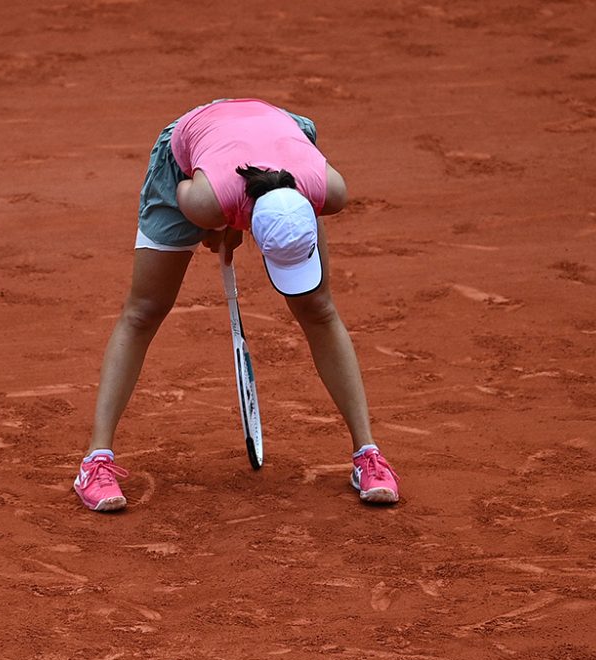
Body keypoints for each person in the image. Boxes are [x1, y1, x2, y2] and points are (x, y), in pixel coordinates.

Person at [73, 98, 400, 511]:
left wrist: (232, 222)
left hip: (281, 133)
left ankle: (368, 454)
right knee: (145, 309)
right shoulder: (205, 200)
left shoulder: (328, 192)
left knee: (318, 308)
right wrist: (221, 223)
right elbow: (187, 197)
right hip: (194, 149)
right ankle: (95, 462)